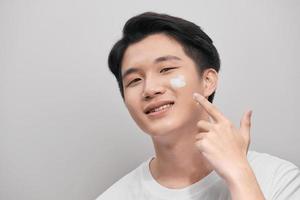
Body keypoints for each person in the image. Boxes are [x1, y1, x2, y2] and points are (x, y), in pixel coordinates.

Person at [96, 12, 300, 200]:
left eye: (166, 69)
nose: (150, 89)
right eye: (134, 80)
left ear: (208, 81)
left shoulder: (277, 177)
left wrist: (240, 175)